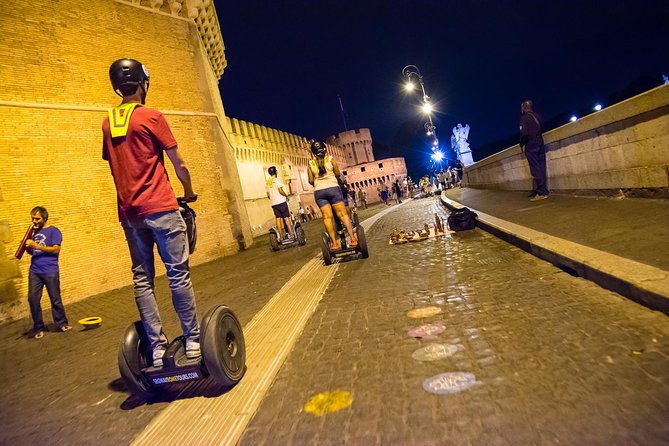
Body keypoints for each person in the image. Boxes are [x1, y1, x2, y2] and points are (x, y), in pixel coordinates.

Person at [102, 58, 200, 368]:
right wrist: (187, 191)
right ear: (144, 84)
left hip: (130, 215)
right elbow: (178, 164)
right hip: (160, 206)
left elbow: (116, 165)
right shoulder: (152, 117)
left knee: (142, 280)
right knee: (177, 275)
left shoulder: (107, 122)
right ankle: (194, 341)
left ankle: (157, 349)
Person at [25, 207, 71, 339]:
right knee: (32, 299)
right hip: (34, 270)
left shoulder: (54, 231)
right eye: (32, 218)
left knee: (55, 298)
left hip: (50, 270)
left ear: (44, 218)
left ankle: (61, 323)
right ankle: (38, 327)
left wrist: (36, 246)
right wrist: (28, 248)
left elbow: (56, 249)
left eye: (37, 218)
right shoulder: (33, 232)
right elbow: (32, 251)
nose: (34, 221)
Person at [307, 140, 358, 250]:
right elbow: (337, 174)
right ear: (324, 149)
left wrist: (318, 179)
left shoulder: (310, 164)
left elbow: (311, 181)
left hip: (319, 192)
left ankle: (334, 243)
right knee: (343, 215)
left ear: (313, 152)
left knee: (327, 218)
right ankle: (353, 239)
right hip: (333, 189)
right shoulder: (330, 159)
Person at [519, 99, 549, 200]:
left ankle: (541, 193)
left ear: (524, 108)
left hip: (531, 145)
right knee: (542, 167)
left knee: (535, 169)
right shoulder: (538, 116)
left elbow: (524, 134)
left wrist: (522, 144)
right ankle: (544, 190)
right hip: (540, 142)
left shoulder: (524, 118)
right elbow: (543, 128)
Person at [266, 166, 295, 241]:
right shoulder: (276, 180)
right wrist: (286, 195)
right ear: (275, 172)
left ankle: (280, 237)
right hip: (281, 202)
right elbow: (280, 190)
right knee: (286, 218)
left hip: (274, 204)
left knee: (278, 219)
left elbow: (268, 195)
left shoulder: (267, 183)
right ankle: (291, 234)